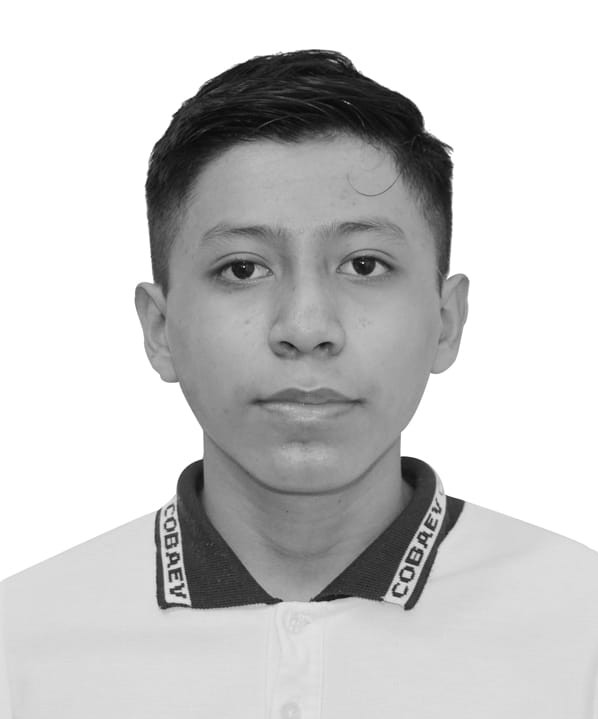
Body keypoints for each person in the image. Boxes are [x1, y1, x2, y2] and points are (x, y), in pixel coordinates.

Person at [1, 48, 597, 719]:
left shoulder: (582, 633)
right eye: (242, 268)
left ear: (447, 321)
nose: (306, 327)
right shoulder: (19, 651)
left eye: (364, 264)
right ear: (160, 328)